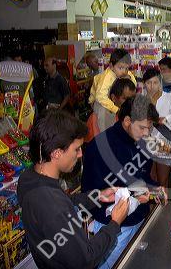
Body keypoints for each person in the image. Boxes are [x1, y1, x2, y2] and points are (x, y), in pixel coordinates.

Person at [17, 110, 130, 269]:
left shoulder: (29, 178)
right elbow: (86, 260)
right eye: (76, 149)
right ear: (57, 153)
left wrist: (97, 196)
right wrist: (114, 223)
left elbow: (65, 203)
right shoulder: (51, 204)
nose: (80, 154)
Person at [82, 95, 167, 269]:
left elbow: (142, 177)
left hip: (139, 220)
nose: (146, 133)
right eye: (142, 127)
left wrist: (153, 188)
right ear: (127, 120)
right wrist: (138, 193)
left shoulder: (142, 142)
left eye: (149, 128)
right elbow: (93, 192)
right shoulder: (99, 148)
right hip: (112, 227)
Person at [142, 68, 171, 187]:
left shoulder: (168, 98)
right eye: (148, 83)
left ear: (160, 83)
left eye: (155, 82)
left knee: (162, 182)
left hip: (164, 146)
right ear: (144, 84)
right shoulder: (141, 100)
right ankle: (154, 205)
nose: (152, 86)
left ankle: (164, 204)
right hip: (145, 145)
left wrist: (165, 120)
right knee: (150, 181)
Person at [85, 78, 136, 142]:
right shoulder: (101, 116)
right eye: (125, 99)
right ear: (113, 98)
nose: (131, 103)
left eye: (133, 99)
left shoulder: (127, 114)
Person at [89, 48, 136, 115]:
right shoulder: (106, 78)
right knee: (103, 112)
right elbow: (100, 97)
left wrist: (129, 79)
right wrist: (116, 110)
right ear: (111, 66)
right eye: (120, 68)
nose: (124, 71)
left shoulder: (125, 73)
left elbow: (134, 84)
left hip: (110, 98)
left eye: (126, 68)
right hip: (97, 101)